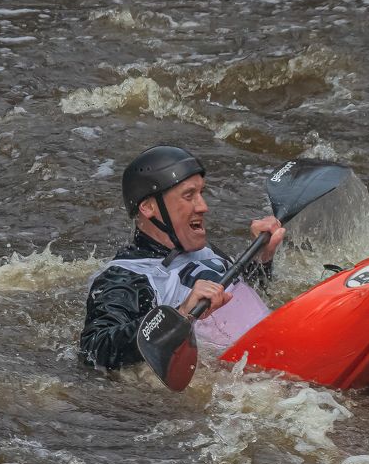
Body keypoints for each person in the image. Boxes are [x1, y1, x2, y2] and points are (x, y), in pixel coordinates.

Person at [79, 145, 285, 370]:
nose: (203, 206)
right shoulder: (126, 277)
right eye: (189, 195)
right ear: (148, 207)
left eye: (201, 193)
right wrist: (180, 314)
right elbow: (93, 348)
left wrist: (261, 259)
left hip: (271, 345)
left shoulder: (206, 251)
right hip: (242, 373)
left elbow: (243, 302)